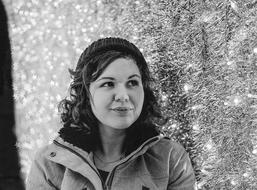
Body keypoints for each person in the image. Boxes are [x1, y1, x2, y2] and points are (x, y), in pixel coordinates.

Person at [26, 37, 197, 190]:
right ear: (85, 93)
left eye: (132, 82)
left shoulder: (171, 159)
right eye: (108, 84)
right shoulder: (50, 163)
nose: (123, 96)